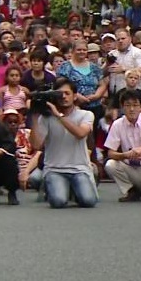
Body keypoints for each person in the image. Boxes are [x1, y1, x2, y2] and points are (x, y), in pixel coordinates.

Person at [30, 78, 98, 209]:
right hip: (55, 169)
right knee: (58, 202)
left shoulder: (86, 114)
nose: (63, 97)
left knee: (88, 201)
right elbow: (36, 145)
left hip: (79, 169)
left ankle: (72, 189)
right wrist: (34, 116)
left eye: (67, 93)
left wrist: (58, 116)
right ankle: (61, 188)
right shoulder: (46, 118)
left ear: (75, 96)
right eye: (59, 93)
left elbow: (80, 134)